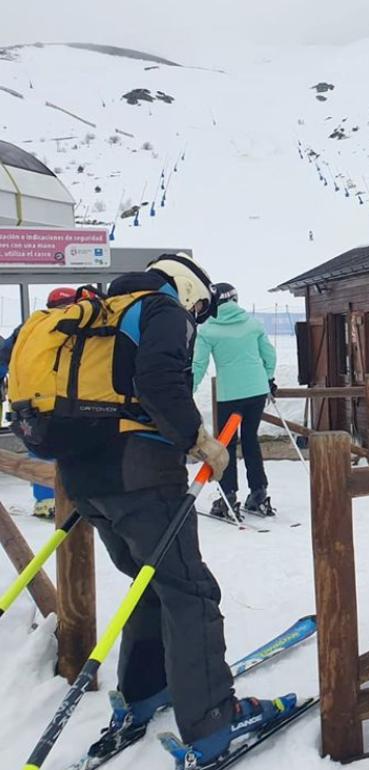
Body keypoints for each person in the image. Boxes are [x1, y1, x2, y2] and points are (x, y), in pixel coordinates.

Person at [55, 254, 294, 768]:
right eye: (200, 306)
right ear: (188, 286)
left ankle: (144, 691)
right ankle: (213, 720)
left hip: (83, 476)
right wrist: (198, 440)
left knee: (150, 581)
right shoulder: (161, 308)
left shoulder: (99, 311)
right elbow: (161, 382)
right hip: (140, 473)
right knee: (190, 592)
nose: (199, 315)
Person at [0, 287, 90, 518]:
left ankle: (46, 499)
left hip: (33, 405)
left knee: (43, 446)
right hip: (73, 401)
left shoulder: (30, 328)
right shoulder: (80, 324)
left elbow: (5, 356)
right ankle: (73, 498)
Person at [192, 283, 278, 518]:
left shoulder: (208, 330)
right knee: (251, 440)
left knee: (225, 445)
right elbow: (269, 355)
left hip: (230, 394)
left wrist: (188, 389)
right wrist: (269, 379)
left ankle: (228, 496)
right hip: (257, 391)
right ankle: (259, 493)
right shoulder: (253, 324)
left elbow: (198, 365)